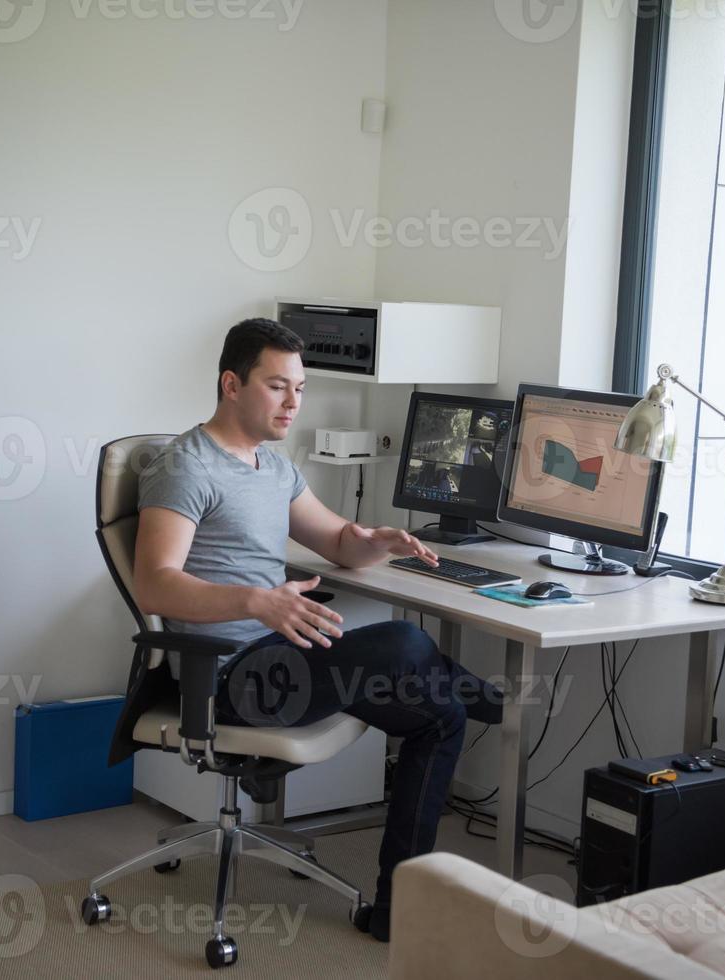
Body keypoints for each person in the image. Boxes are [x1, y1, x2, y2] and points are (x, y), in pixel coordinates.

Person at [133, 317, 504, 942]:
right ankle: (472, 686)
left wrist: (379, 543)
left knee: (440, 718)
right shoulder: (185, 467)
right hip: (230, 678)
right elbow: (155, 583)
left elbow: (335, 540)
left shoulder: (272, 469)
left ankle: (396, 909)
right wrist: (258, 601)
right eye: (278, 387)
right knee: (404, 640)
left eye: (299, 388)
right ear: (231, 384)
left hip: (280, 656)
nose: (294, 403)